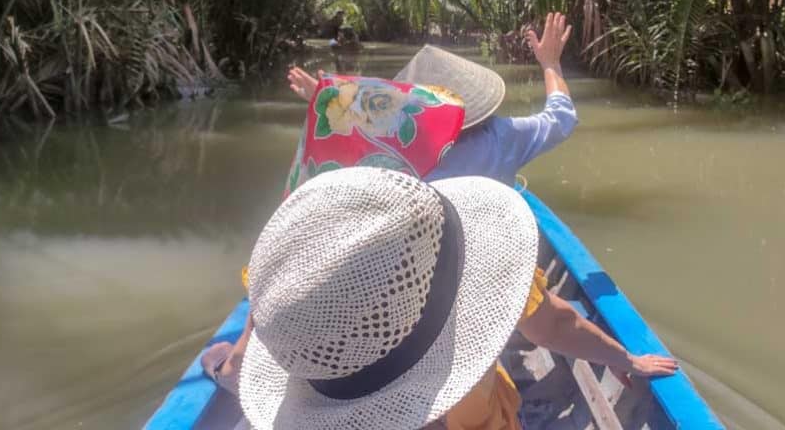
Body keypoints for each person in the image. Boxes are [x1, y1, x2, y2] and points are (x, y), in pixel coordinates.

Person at [234, 167, 678, 430]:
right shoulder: (418, 265)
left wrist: (233, 363)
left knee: (224, 362)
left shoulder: (312, 330)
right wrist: (626, 358)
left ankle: (221, 361)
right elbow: (555, 326)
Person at [201, 75, 466, 394]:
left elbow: (245, 357)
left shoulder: (300, 254)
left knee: (236, 353)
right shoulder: (416, 230)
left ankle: (226, 368)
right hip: (430, 378)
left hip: (343, 371)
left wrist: (224, 368)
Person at [288, 12, 578, 185]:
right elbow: (561, 118)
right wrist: (550, 64)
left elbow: (353, 131)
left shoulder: (392, 148)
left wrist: (328, 100)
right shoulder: (502, 137)